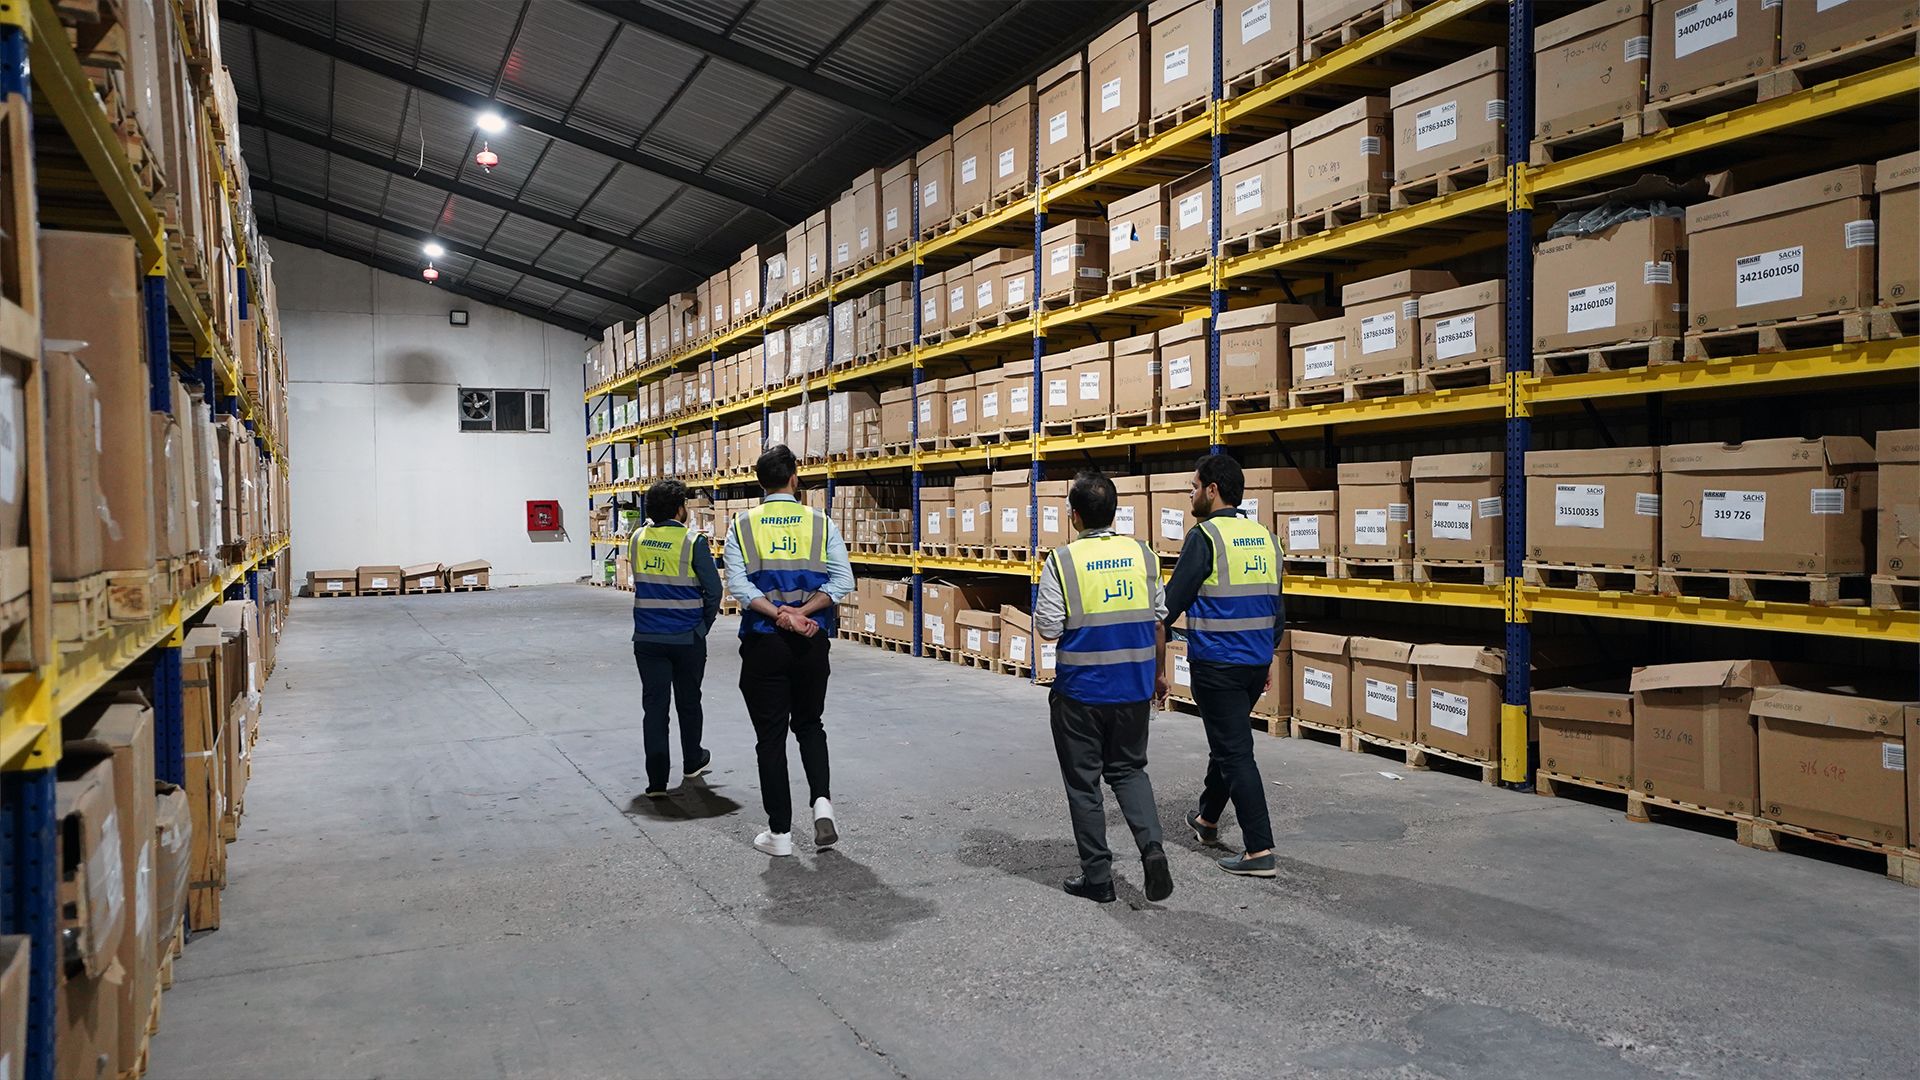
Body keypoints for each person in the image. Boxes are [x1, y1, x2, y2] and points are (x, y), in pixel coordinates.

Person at [1034, 470, 1174, 904]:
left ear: (1075, 515)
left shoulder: (1063, 561)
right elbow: (1158, 622)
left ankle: (1099, 877)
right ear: (1114, 513)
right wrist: (1159, 675)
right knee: (1129, 771)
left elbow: (1048, 628)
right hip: (1133, 688)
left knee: (1084, 784)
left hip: (1081, 692)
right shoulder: (1144, 555)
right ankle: (1152, 848)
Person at [723, 444, 855, 857]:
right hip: (811, 641)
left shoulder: (742, 525)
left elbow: (739, 585)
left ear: (760, 483)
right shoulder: (820, 522)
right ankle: (822, 804)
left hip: (764, 643)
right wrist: (802, 613)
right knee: (810, 725)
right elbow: (842, 581)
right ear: (794, 479)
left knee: (771, 738)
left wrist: (780, 613)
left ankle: (779, 833)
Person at [1163, 453, 1282, 878]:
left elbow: (1171, 603)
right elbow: (1277, 606)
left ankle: (1259, 849)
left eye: (1194, 487)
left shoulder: (1205, 538)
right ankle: (1207, 819)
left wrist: (1146, 650)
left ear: (1212, 490)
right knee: (1227, 741)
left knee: (1235, 753)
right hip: (1254, 663)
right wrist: (1267, 655)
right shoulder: (1265, 537)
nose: (1191, 495)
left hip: (1218, 665)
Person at [629, 479, 723, 799]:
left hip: (647, 639)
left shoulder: (637, 538)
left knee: (655, 708)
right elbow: (714, 590)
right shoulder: (692, 541)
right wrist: (703, 626)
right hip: (686, 638)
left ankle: (656, 783)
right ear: (680, 509)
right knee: (689, 701)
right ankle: (692, 761)